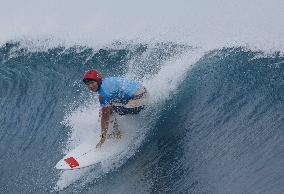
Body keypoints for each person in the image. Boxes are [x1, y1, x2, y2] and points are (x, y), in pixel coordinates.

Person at [83, 69, 148, 148]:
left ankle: (117, 133)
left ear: (98, 81)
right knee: (107, 108)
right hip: (143, 91)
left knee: (106, 111)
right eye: (88, 84)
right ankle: (116, 132)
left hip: (139, 100)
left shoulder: (103, 95)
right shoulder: (107, 81)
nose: (90, 86)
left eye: (92, 83)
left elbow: (104, 118)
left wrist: (102, 139)